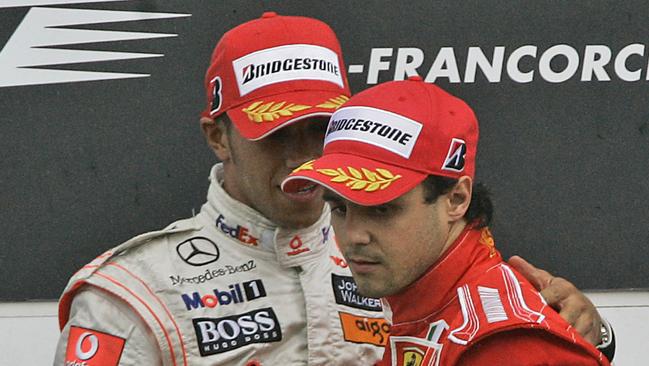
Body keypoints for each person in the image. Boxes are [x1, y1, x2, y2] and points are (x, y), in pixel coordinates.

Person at [54, 12, 613, 366]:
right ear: (218, 136)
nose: (303, 155)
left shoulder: (404, 250)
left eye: (320, 129)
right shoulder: (132, 295)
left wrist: (587, 334)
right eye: (276, 133)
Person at [282, 76, 612, 365]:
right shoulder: (419, 303)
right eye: (339, 208)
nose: (353, 236)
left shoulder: (503, 346)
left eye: (381, 209)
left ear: (456, 199)